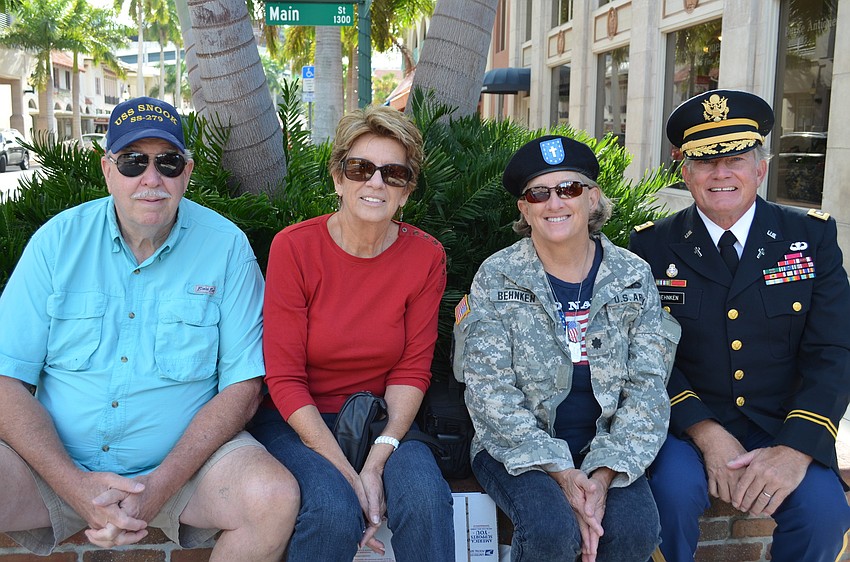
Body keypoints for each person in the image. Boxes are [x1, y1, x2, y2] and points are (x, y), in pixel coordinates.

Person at [0, 96, 299, 560]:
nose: (151, 179)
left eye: (168, 162)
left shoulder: (226, 249)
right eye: (133, 162)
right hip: (52, 469)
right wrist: (75, 486)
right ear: (107, 169)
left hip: (185, 473)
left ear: (188, 171)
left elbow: (244, 387)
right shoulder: (57, 243)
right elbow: (4, 378)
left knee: (271, 498)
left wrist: (160, 485)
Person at [629, 89, 850, 562]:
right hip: (685, 429)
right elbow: (643, 355)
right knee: (669, 496)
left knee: (825, 513)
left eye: (736, 158)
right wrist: (705, 430)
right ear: (685, 172)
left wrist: (795, 449)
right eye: (705, 161)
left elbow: (833, 351)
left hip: (782, 423)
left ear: (760, 168)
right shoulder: (652, 248)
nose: (721, 173)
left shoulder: (810, 238)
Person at [453, 135, 681, 562]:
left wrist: (603, 473)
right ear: (524, 208)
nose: (553, 203)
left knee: (635, 530)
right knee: (551, 531)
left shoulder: (632, 275)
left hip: (609, 443)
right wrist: (561, 472)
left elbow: (648, 387)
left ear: (593, 198)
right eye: (538, 193)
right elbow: (489, 392)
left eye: (569, 189)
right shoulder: (498, 276)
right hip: (515, 446)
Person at [249, 105, 454, 561]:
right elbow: (283, 377)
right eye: (361, 168)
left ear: (406, 191)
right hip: (296, 418)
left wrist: (377, 460)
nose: (375, 182)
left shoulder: (425, 257)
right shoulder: (295, 247)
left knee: (426, 498)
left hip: (379, 418)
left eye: (393, 173)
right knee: (332, 510)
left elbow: (411, 369)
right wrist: (349, 474)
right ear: (338, 178)